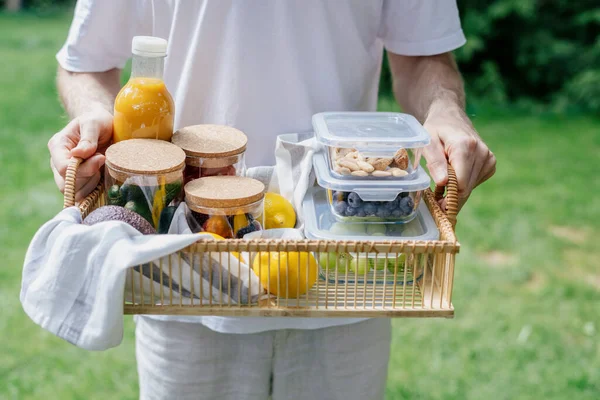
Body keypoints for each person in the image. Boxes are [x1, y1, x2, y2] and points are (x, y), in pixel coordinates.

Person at [48, 1, 496, 399]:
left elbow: (424, 56)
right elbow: (86, 62)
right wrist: (94, 114)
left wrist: (445, 110)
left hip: (342, 276)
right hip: (183, 276)